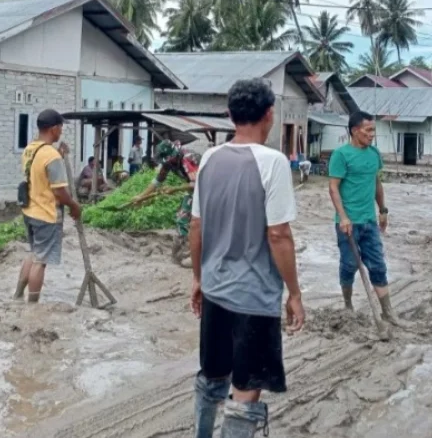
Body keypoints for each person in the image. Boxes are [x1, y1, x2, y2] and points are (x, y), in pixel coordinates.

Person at [189, 78, 305, 438]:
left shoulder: (210, 158)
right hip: (253, 298)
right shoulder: (273, 163)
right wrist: (295, 294)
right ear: (270, 115)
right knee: (245, 391)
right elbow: (279, 234)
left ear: (230, 114)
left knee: (212, 379)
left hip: (214, 289)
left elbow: (197, 226)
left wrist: (197, 279)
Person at [328, 110, 399, 324]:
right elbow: (333, 188)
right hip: (349, 224)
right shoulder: (341, 155)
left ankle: (388, 312)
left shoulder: (374, 154)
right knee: (349, 265)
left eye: (373, 130)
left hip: (369, 222)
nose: (372, 134)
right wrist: (343, 218)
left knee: (378, 266)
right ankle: (348, 306)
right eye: (368, 130)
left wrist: (383, 210)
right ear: (355, 131)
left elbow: (377, 183)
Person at [13, 109, 81, 303]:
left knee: (34, 253)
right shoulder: (52, 156)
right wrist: (74, 205)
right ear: (53, 129)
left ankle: (18, 294)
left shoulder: (30, 149)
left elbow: (39, 171)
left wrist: (58, 155)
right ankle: (33, 305)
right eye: (60, 127)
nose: (61, 131)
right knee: (40, 261)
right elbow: (60, 192)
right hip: (46, 213)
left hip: (30, 210)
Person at [133, 139, 201, 267]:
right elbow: (157, 181)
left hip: (207, 189)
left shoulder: (187, 158)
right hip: (193, 190)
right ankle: (182, 252)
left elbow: (197, 183)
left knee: (199, 221)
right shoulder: (169, 163)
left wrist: (174, 189)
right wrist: (141, 196)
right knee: (182, 218)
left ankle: (196, 256)